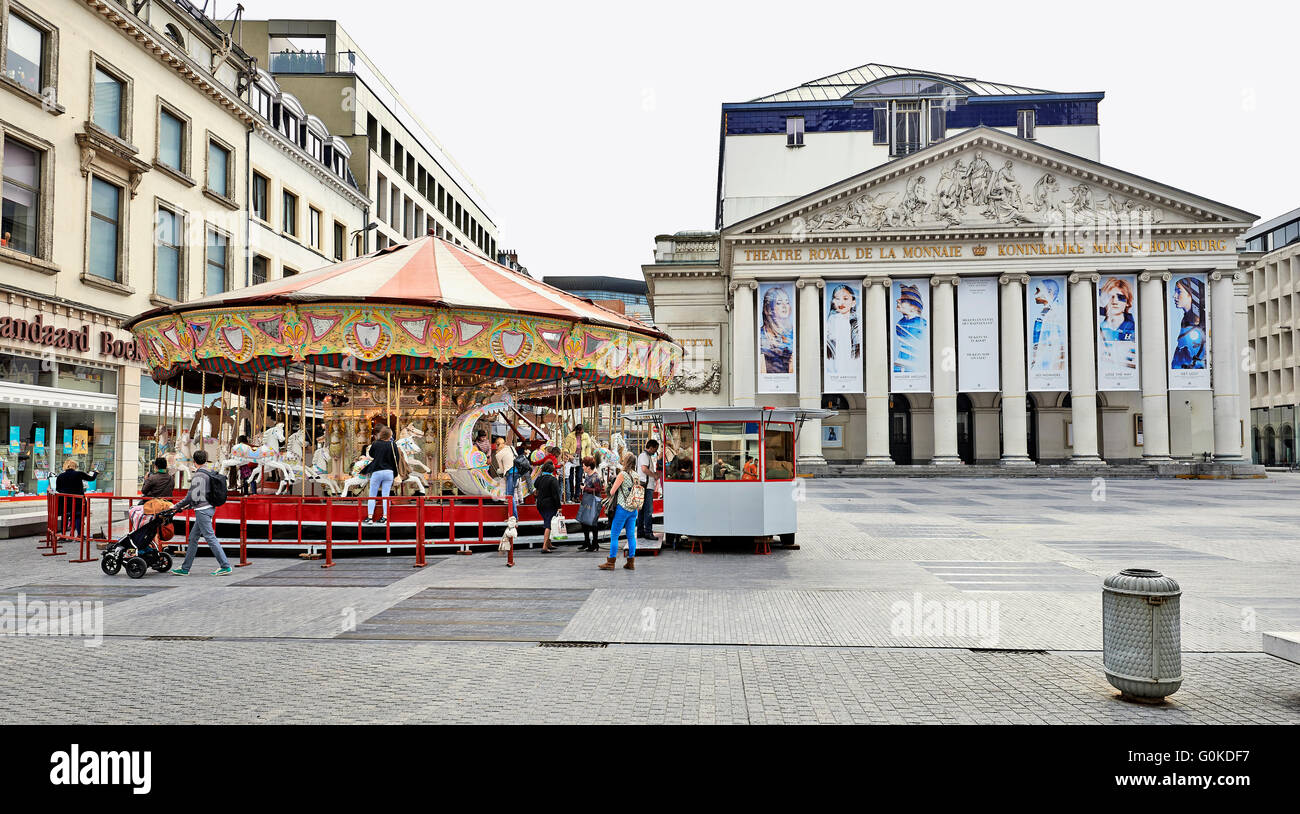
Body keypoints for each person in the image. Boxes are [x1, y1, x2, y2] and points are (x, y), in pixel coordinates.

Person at [169, 450, 232, 576]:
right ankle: (185, 568)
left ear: (194, 461)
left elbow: (191, 496)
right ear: (205, 460)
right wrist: (188, 506)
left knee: (210, 537)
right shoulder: (208, 472)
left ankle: (225, 566)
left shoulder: (198, 476)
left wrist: (176, 506)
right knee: (193, 538)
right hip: (208, 507)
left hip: (202, 510)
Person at [599, 452, 639, 571]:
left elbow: (612, 492)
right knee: (631, 536)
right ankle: (630, 562)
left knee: (614, 535)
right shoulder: (636, 475)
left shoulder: (622, 474)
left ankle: (611, 562)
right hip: (633, 509)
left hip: (622, 508)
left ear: (625, 461)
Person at [363, 426, 399, 525]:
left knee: (372, 495)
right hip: (389, 472)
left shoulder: (375, 443)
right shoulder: (393, 444)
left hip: (377, 471)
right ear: (390, 435)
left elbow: (371, 454)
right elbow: (397, 459)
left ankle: (370, 518)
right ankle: (385, 517)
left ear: (381, 434)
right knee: (385, 495)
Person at [55, 458, 98, 537]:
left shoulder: (60, 476)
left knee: (64, 516)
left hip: (65, 500)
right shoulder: (79, 474)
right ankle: (79, 534)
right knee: (78, 516)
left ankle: (63, 535)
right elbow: (91, 479)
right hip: (78, 499)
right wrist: (95, 473)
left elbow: (58, 489)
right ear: (74, 466)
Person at [824, 284, 861, 375]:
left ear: (853, 302)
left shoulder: (857, 322)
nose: (841, 303)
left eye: (845, 299)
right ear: (833, 301)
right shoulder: (831, 321)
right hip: (835, 367)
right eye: (837, 299)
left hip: (853, 368)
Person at [1171, 277, 1206, 370]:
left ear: (1192, 294)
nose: (1174, 296)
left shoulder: (1202, 323)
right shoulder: (1185, 320)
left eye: (1179, 291)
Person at [759, 286, 794, 374]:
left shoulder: (792, 334)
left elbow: (792, 368)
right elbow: (762, 370)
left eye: (787, 302)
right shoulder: (761, 335)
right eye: (779, 303)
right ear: (769, 309)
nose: (784, 306)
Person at [894, 284, 927, 373]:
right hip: (899, 368)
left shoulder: (922, 324)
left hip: (914, 369)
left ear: (914, 307)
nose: (898, 300)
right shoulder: (899, 323)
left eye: (903, 300)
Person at [534, 461, 563, 554]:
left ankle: (549, 543)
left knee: (547, 521)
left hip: (540, 504)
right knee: (548, 525)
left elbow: (535, 486)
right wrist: (559, 506)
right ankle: (545, 546)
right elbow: (556, 495)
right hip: (550, 505)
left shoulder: (539, 479)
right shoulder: (553, 479)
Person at [562, 423, 595, 500]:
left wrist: (587, 457)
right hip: (572, 458)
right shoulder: (570, 436)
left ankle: (577, 496)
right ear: (576, 430)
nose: (580, 434)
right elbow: (565, 447)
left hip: (581, 458)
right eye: (579, 432)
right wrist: (568, 454)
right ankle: (570, 494)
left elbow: (588, 447)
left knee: (579, 477)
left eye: (582, 432)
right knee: (570, 477)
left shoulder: (586, 436)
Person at [577, 456, 603, 551]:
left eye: (584, 465)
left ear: (588, 467)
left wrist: (585, 489)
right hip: (587, 500)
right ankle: (587, 542)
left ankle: (595, 543)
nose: (583, 467)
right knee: (584, 522)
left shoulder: (596, 477)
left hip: (594, 502)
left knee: (593, 523)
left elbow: (598, 489)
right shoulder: (588, 475)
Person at [636, 439, 659, 540]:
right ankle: (648, 532)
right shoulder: (644, 456)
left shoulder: (645, 456)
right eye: (655, 449)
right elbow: (644, 469)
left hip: (645, 485)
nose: (655, 452)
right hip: (646, 486)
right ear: (651, 447)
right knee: (648, 511)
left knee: (641, 510)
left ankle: (641, 532)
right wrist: (654, 475)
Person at [493, 436, 518, 518]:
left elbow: (502, 469)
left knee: (509, 496)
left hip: (510, 474)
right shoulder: (511, 447)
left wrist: (498, 471)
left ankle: (514, 517)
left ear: (496, 445)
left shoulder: (498, 455)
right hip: (517, 472)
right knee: (512, 495)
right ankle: (511, 516)